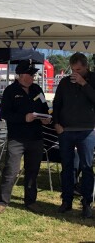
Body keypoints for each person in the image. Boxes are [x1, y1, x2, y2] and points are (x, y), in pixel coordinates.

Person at [0, 59, 50, 214]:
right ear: (21, 75)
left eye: (33, 74)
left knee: (33, 170)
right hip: (17, 138)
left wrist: (46, 118)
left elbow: (45, 108)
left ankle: (30, 201)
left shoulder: (37, 89)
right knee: (11, 170)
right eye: (30, 74)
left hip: (36, 137)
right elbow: (5, 114)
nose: (32, 77)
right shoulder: (10, 91)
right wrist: (24, 118)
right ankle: (2, 202)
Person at [53, 52, 95, 218]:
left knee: (86, 167)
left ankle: (86, 202)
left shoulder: (92, 79)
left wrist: (83, 83)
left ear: (86, 66)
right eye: (73, 69)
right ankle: (67, 200)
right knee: (67, 167)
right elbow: (57, 103)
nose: (75, 72)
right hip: (66, 130)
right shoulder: (64, 82)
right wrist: (56, 123)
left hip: (87, 130)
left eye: (78, 69)